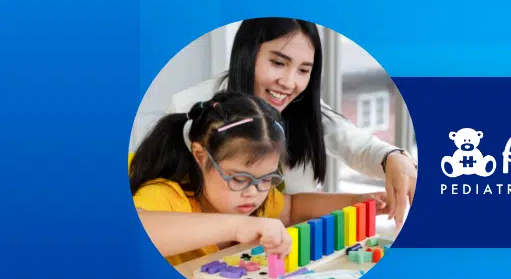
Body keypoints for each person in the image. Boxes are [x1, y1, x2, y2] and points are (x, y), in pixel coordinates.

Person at [152, 17, 416, 227]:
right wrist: (236, 228)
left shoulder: (303, 109)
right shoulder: (190, 109)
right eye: (278, 63)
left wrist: (393, 158)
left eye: (304, 70)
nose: (289, 83)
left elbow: (356, 146)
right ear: (247, 54)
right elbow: (159, 219)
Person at [130, 91, 388, 266]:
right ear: (200, 156)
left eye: (266, 179)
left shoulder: (254, 196)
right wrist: (237, 226)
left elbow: (293, 207)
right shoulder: (166, 195)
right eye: (238, 178)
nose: (253, 192)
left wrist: (355, 201)